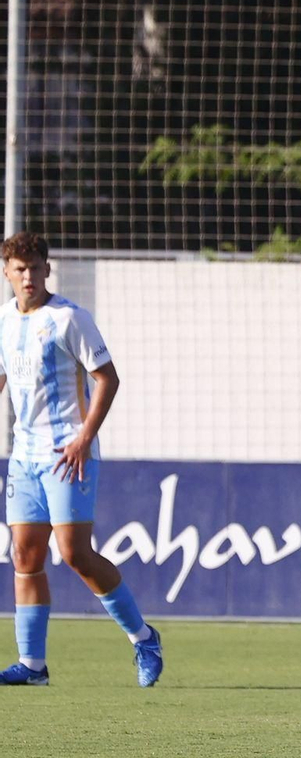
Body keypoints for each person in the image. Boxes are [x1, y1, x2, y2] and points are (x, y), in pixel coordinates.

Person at [0, 232, 163, 687]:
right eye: (19, 269)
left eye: (35, 267)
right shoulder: (3, 322)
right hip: (24, 455)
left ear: (47, 269)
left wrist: (83, 437)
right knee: (25, 555)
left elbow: (107, 379)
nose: (28, 276)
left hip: (70, 453)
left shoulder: (70, 318)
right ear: (7, 273)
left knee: (74, 554)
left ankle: (143, 637)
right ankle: (32, 665)